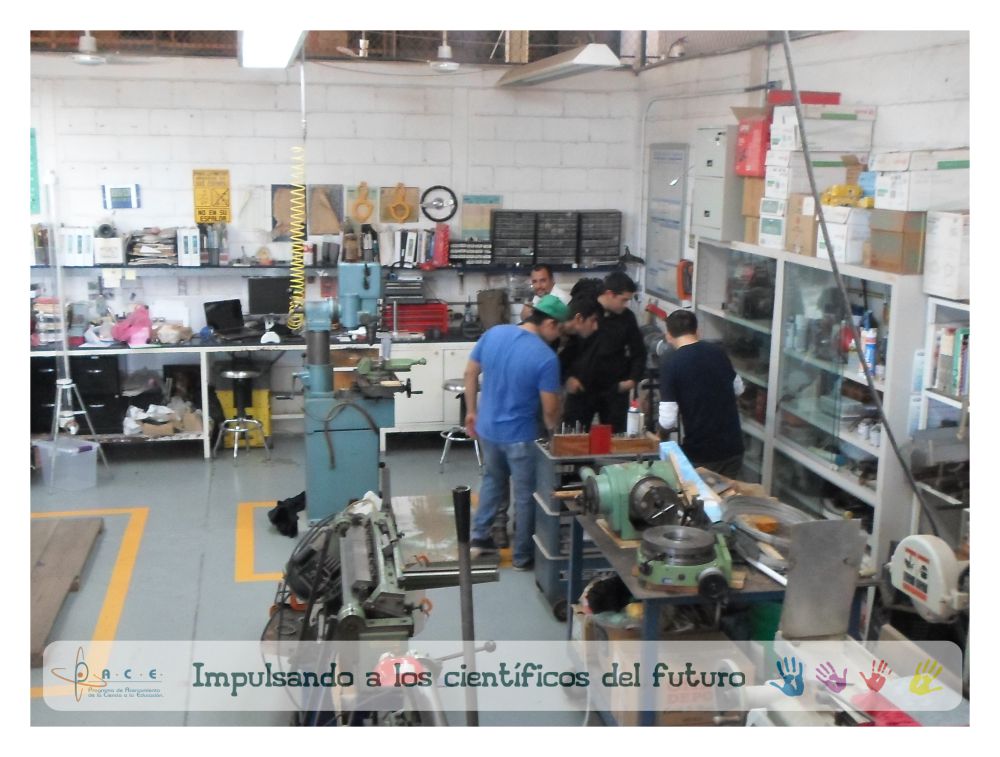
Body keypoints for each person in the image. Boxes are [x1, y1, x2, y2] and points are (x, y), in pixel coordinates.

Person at [464, 294, 568, 570]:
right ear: (550, 324)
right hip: (520, 436)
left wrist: (471, 411)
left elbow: (470, 373)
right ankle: (523, 556)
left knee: (492, 481)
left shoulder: (494, 333)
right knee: (526, 496)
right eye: (559, 330)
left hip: (487, 429)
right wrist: (553, 434)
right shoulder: (546, 358)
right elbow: (550, 409)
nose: (559, 337)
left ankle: (479, 538)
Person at [490, 292, 601, 549]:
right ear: (576, 319)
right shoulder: (535, 333)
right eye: (592, 321)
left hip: (544, 409)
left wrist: (566, 380)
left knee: (532, 476)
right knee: (503, 472)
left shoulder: (572, 339)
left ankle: (526, 529)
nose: (595, 328)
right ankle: (499, 524)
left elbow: (562, 368)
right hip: (519, 410)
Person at [658, 309, 745, 478]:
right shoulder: (718, 352)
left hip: (702, 453)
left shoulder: (671, 364)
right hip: (733, 448)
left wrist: (660, 437)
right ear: (697, 331)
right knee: (729, 493)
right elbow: (739, 388)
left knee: (703, 494)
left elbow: (668, 420)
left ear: (668, 336)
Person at [561, 271, 646, 433]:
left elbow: (639, 352)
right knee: (574, 438)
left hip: (614, 389)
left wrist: (632, 379)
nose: (625, 305)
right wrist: (567, 378)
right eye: (623, 300)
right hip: (582, 388)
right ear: (610, 294)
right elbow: (565, 352)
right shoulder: (586, 311)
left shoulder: (627, 318)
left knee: (616, 438)